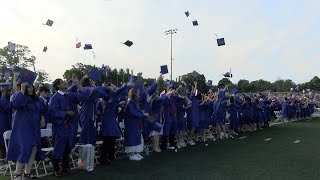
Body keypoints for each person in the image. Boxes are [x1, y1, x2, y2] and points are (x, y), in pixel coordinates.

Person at [49, 75, 86, 176]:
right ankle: (56, 169)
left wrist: (77, 82)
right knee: (58, 147)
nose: (65, 82)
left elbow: (83, 94)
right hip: (60, 127)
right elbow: (53, 113)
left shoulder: (69, 95)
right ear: (57, 86)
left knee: (67, 147)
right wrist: (66, 113)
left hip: (70, 126)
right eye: (62, 82)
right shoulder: (54, 98)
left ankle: (65, 167)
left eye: (65, 81)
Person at [7, 82, 46, 180]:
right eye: (28, 87)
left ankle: (27, 174)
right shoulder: (16, 96)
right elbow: (16, 104)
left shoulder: (35, 99)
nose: (31, 88)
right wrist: (22, 90)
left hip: (34, 128)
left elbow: (41, 110)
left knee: (34, 149)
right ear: (21, 87)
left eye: (31, 86)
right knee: (24, 149)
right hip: (22, 128)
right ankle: (17, 174)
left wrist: (42, 118)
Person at [99, 83, 128, 165]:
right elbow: (117, 92)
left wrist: (119, 104)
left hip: (111, 120)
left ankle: (111, 156)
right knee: (107, 140)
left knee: (112, 139)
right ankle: (103, 159)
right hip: (108, 120)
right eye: (112, 86)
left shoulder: (110, 96)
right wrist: (126, 84)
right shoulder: (108, 96)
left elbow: (113, 104)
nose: (114, 87)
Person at [124, 88, 149, 161]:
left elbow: (137, 111)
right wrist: (143, 114)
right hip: (131, 123)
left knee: (137, 137)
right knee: (132, 138)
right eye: (137, 93)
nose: (138, 94)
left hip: (135, 122)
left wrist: (142, 114)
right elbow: (133, 112)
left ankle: (135, 152)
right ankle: (131, 154)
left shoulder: (134, 102)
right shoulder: (130, 102)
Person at [0, 83, 12, 167]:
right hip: (2, 123)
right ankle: (2, 161)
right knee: (2, 142)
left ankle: (7, 159)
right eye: (8, 90)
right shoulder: (2, 99)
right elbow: (7, 106)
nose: (9, 92)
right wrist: (3, 94)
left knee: (7, 142)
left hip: (7, 123)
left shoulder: (6, 98)